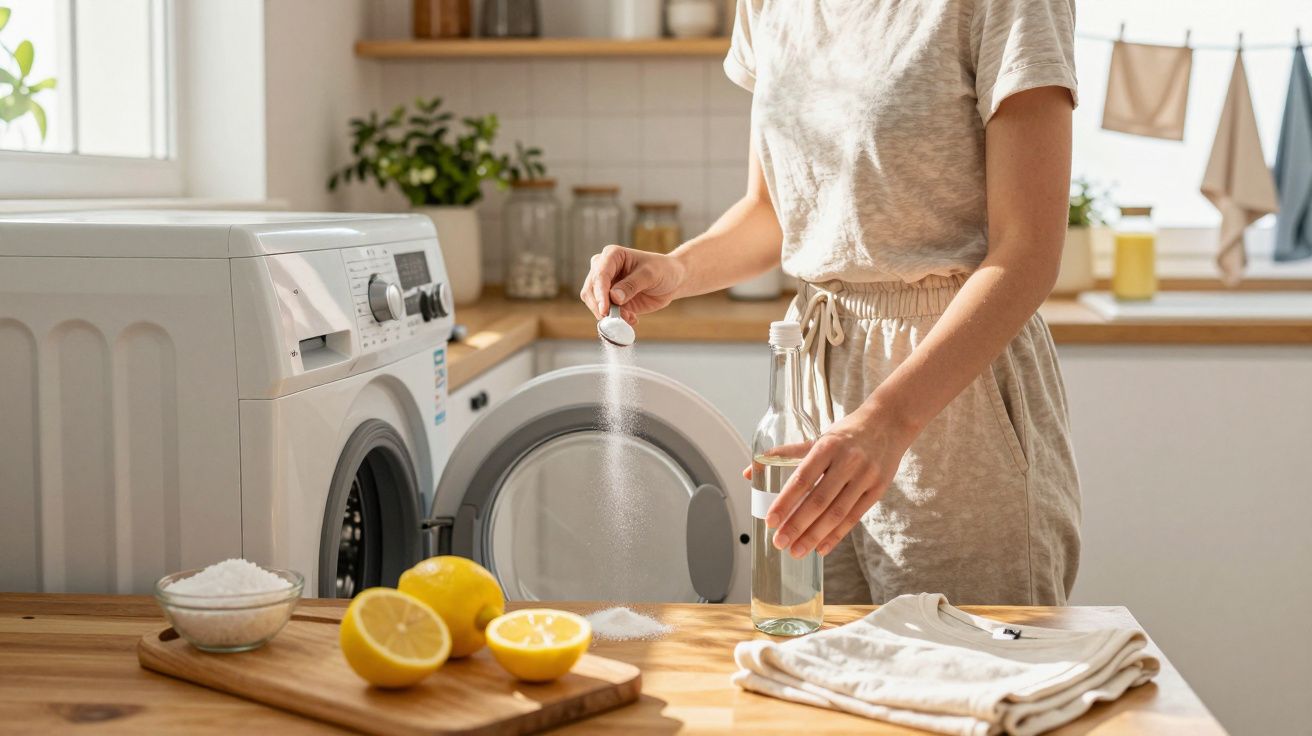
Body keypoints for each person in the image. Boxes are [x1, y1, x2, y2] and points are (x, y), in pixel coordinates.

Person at [580, 0, 1081, 606]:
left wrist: (888, 421)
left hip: (952, 389)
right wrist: (676, 269)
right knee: (819, 660)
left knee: (962, 671)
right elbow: (771, 213)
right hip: (815, 376)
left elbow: (1027, 253)